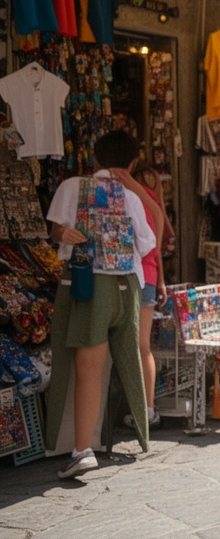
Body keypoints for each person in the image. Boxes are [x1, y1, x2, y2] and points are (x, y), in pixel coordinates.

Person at [45, 130, 156, 478]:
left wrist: (63, 235)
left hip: (89, 282)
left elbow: (55, 231)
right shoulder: (131, 196)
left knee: (87, 365)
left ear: (94, 159)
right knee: (130, 359)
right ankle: (141, 431)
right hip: (128, 286)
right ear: (132, 163)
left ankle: (82, 449)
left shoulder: (72, 187)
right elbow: (149, 242)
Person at [117, 156, 168, 432]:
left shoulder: (130, 194)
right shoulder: (148, 198)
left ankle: (140, 409)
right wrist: (161, 279)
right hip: (148, 275)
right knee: (142, 345)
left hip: (128, 274)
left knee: (128, 345)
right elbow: (156, 246)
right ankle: (147, 409)